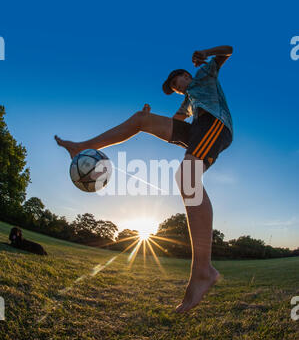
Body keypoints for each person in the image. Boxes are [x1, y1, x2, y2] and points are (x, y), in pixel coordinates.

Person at [54, 45, 234, 313]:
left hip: (215, 124)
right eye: (174, 87)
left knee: (187, 179)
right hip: (198, 128)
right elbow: (176, 123)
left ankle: (203, 271)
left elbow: (227, 51)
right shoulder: (188, 101)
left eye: (179, 81)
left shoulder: (204, 74)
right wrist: (151, 119)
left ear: (187, 75)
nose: (178, 87)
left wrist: (205, 53)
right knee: (141, 119)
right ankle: (80, 146)